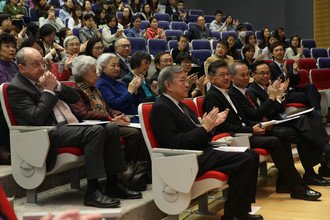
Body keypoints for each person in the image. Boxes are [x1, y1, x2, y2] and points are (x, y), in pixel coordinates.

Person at [7, 47, 141, 208]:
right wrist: (49, 91)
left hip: (69, 125)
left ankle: (113, 184)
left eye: (42, 63)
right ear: (21, 68)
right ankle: (93, 191)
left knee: (111, 128)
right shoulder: (16, 88)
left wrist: (56, 85)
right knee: (95, 131)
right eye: (35, 64)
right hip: (47, 132)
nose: (42, 67)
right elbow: (36, 118)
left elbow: (75, 97)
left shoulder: (43, 78)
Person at [150, 65, 263, 220]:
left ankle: (239, 212)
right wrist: (205, 127)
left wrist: (211, 126)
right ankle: (234, 214)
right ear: (168, 85)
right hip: (187, 159)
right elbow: (176, 143)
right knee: (246, 159)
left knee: (251, 154)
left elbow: (199, 134)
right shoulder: (161, 107)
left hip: (202, 152)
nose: (187, 84)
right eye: (182, 80)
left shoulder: (181, 104)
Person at [202, 60, 322, 201]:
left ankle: (288, 183)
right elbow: (221, 127)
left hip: (243, 131)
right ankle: (297, 188)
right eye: (222, 75)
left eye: (227, 74)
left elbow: (244, 118)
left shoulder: (224, 93)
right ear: (211, 78)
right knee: (275, 141)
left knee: (283, 135)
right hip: (231, 138)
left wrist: (258, 126)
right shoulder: (212, 96)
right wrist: (251, 129)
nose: (227, 78)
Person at [229, 61, 330, 186]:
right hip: (264, 124)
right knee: (301, 126)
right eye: (262, 73)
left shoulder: (247, 91)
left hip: (273, 120)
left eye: (267, 73)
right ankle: (324, 153)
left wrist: (279, 96)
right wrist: (273, 97)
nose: (266, 76)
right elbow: (260, 114)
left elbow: (276, 109)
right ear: (254, 75)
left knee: (310, 117)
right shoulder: (250, 90)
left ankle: (316, 166)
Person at [70, 55, 150, 191]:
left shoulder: (93, 88)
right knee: (134, 133)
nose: (97, 74)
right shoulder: (76, 90)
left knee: (139, 130)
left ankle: (140, 175)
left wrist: (119, 115)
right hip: (93, 126)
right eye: (93, 71)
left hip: (107, 122)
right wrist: (109, 118)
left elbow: (108, 108)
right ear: (83, 74)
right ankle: (128, 175)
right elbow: (83, 113)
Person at [269, 42, 321, 114]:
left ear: (284, 52)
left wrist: (295, 72)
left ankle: (316, 113)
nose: (279, 52)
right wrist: (284, 74)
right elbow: (273, 83)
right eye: (276, 50)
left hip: (293, 90)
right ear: (272, 53)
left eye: (281, 50)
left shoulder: (289, 64)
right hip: (283, 93)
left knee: (310, 86)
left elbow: (296, 82)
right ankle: (317, 114)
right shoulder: (270, 67)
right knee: (314, 95)